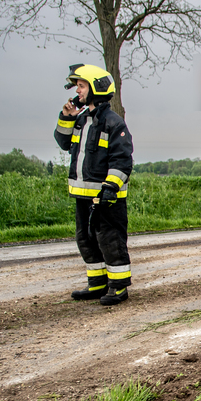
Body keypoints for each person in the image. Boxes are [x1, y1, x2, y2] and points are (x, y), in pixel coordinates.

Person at [54, 64, 133, 306]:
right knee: (86, 239)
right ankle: (97, 283)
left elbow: (122, 159)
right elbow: (64, 143)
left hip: (106, 196)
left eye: (81, 86)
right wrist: (66, 117)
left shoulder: (113, 123)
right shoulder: (80, 120)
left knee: (109, 239)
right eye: (76, 86)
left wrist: (111, 186)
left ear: (96, 88)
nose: (77, 91)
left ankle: (118, 287)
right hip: (82, 195)